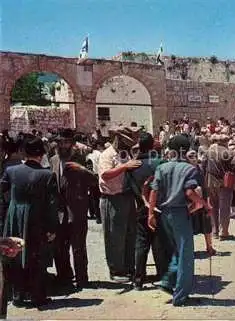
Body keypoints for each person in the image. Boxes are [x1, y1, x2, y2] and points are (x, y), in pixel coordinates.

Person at [147, 135, 208, 306]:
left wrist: (151, 214)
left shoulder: (162, 168)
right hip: (180, 213)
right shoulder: (189, 169)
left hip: (164, 213)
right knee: (186, 255)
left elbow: (154, 191)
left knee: (175, 251)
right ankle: (180, 296)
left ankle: (168, 281)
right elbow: (190, 193)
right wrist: (204, 204)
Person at [1, 137, 58, 307]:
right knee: (37, 257)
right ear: (42, 154)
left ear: (24, 153)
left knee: (14, 254)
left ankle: (17, 295)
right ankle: (38, 296)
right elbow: (52, 205)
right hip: (37, 219)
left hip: (14, 217)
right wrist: (52, 227)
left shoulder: (12, 171)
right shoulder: (48, 175)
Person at [50, 129, 99, 289]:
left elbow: (95, 180)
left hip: (77, 211)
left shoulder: (81, 159)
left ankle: (81, 279)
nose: (63, 145)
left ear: (72, 143)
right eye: (60, 142)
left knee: (78, 248)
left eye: (66, 142)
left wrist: (81, 169)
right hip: (59, 213)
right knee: (60, 248)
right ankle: (64, 277)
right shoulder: (53, 160)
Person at [98, 127, 142, 282]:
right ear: (117, 138)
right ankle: (116, 270)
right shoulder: (107, 155)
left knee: (130, 235)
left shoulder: (126, 153)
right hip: (112, 198)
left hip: (127, 197)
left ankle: (129, 268)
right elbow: (105, 174)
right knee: (114, 236)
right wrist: (125, 166)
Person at [128, 133, 168, 290]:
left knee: (141, 243)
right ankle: (163, 276)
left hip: (139, 207)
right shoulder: (159, 163)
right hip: (158, 207)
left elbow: (128, 187)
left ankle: (138, 279)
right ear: (152, 146)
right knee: (159, 243)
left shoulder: (132, 165)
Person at [186, 150, 216, 256]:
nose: (193, 158)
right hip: (191, 202)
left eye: (194, 155)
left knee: (207, 225)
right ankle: (190, 249)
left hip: (202, 201)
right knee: (190, 227)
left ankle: (209, 246)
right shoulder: (185, 170)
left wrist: (207, 202)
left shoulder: (200, 169)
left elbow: (205, 186)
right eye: (190, 156)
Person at [206, 135, 234, 239]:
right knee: (224, 208)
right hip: (223, 182)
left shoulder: (209, 151)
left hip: (210, 182)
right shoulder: (228, 152)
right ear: (226, 142)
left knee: (213, 207)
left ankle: (214, 231)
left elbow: (204, 166)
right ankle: (224, 232)